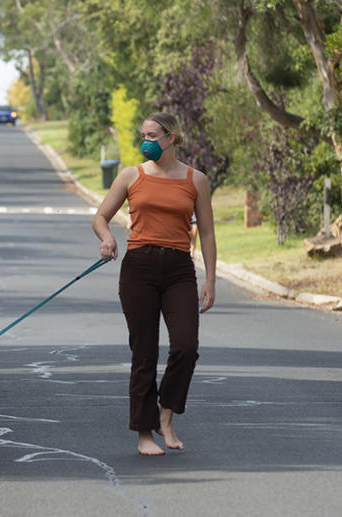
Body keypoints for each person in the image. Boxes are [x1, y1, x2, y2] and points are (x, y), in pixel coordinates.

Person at [92, 112, 216, 456]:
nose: (146, 141)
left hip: (178, 269)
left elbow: (206, 231)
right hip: (139, 268)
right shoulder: (131, 175)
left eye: (153, 135)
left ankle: (166, 415)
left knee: (186, 347)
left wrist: (211, 278)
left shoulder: (196, 180)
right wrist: (107, 239)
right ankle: (144, 433)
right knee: (144, 353)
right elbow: (101, 217)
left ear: (171, 138)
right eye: (142, 134)